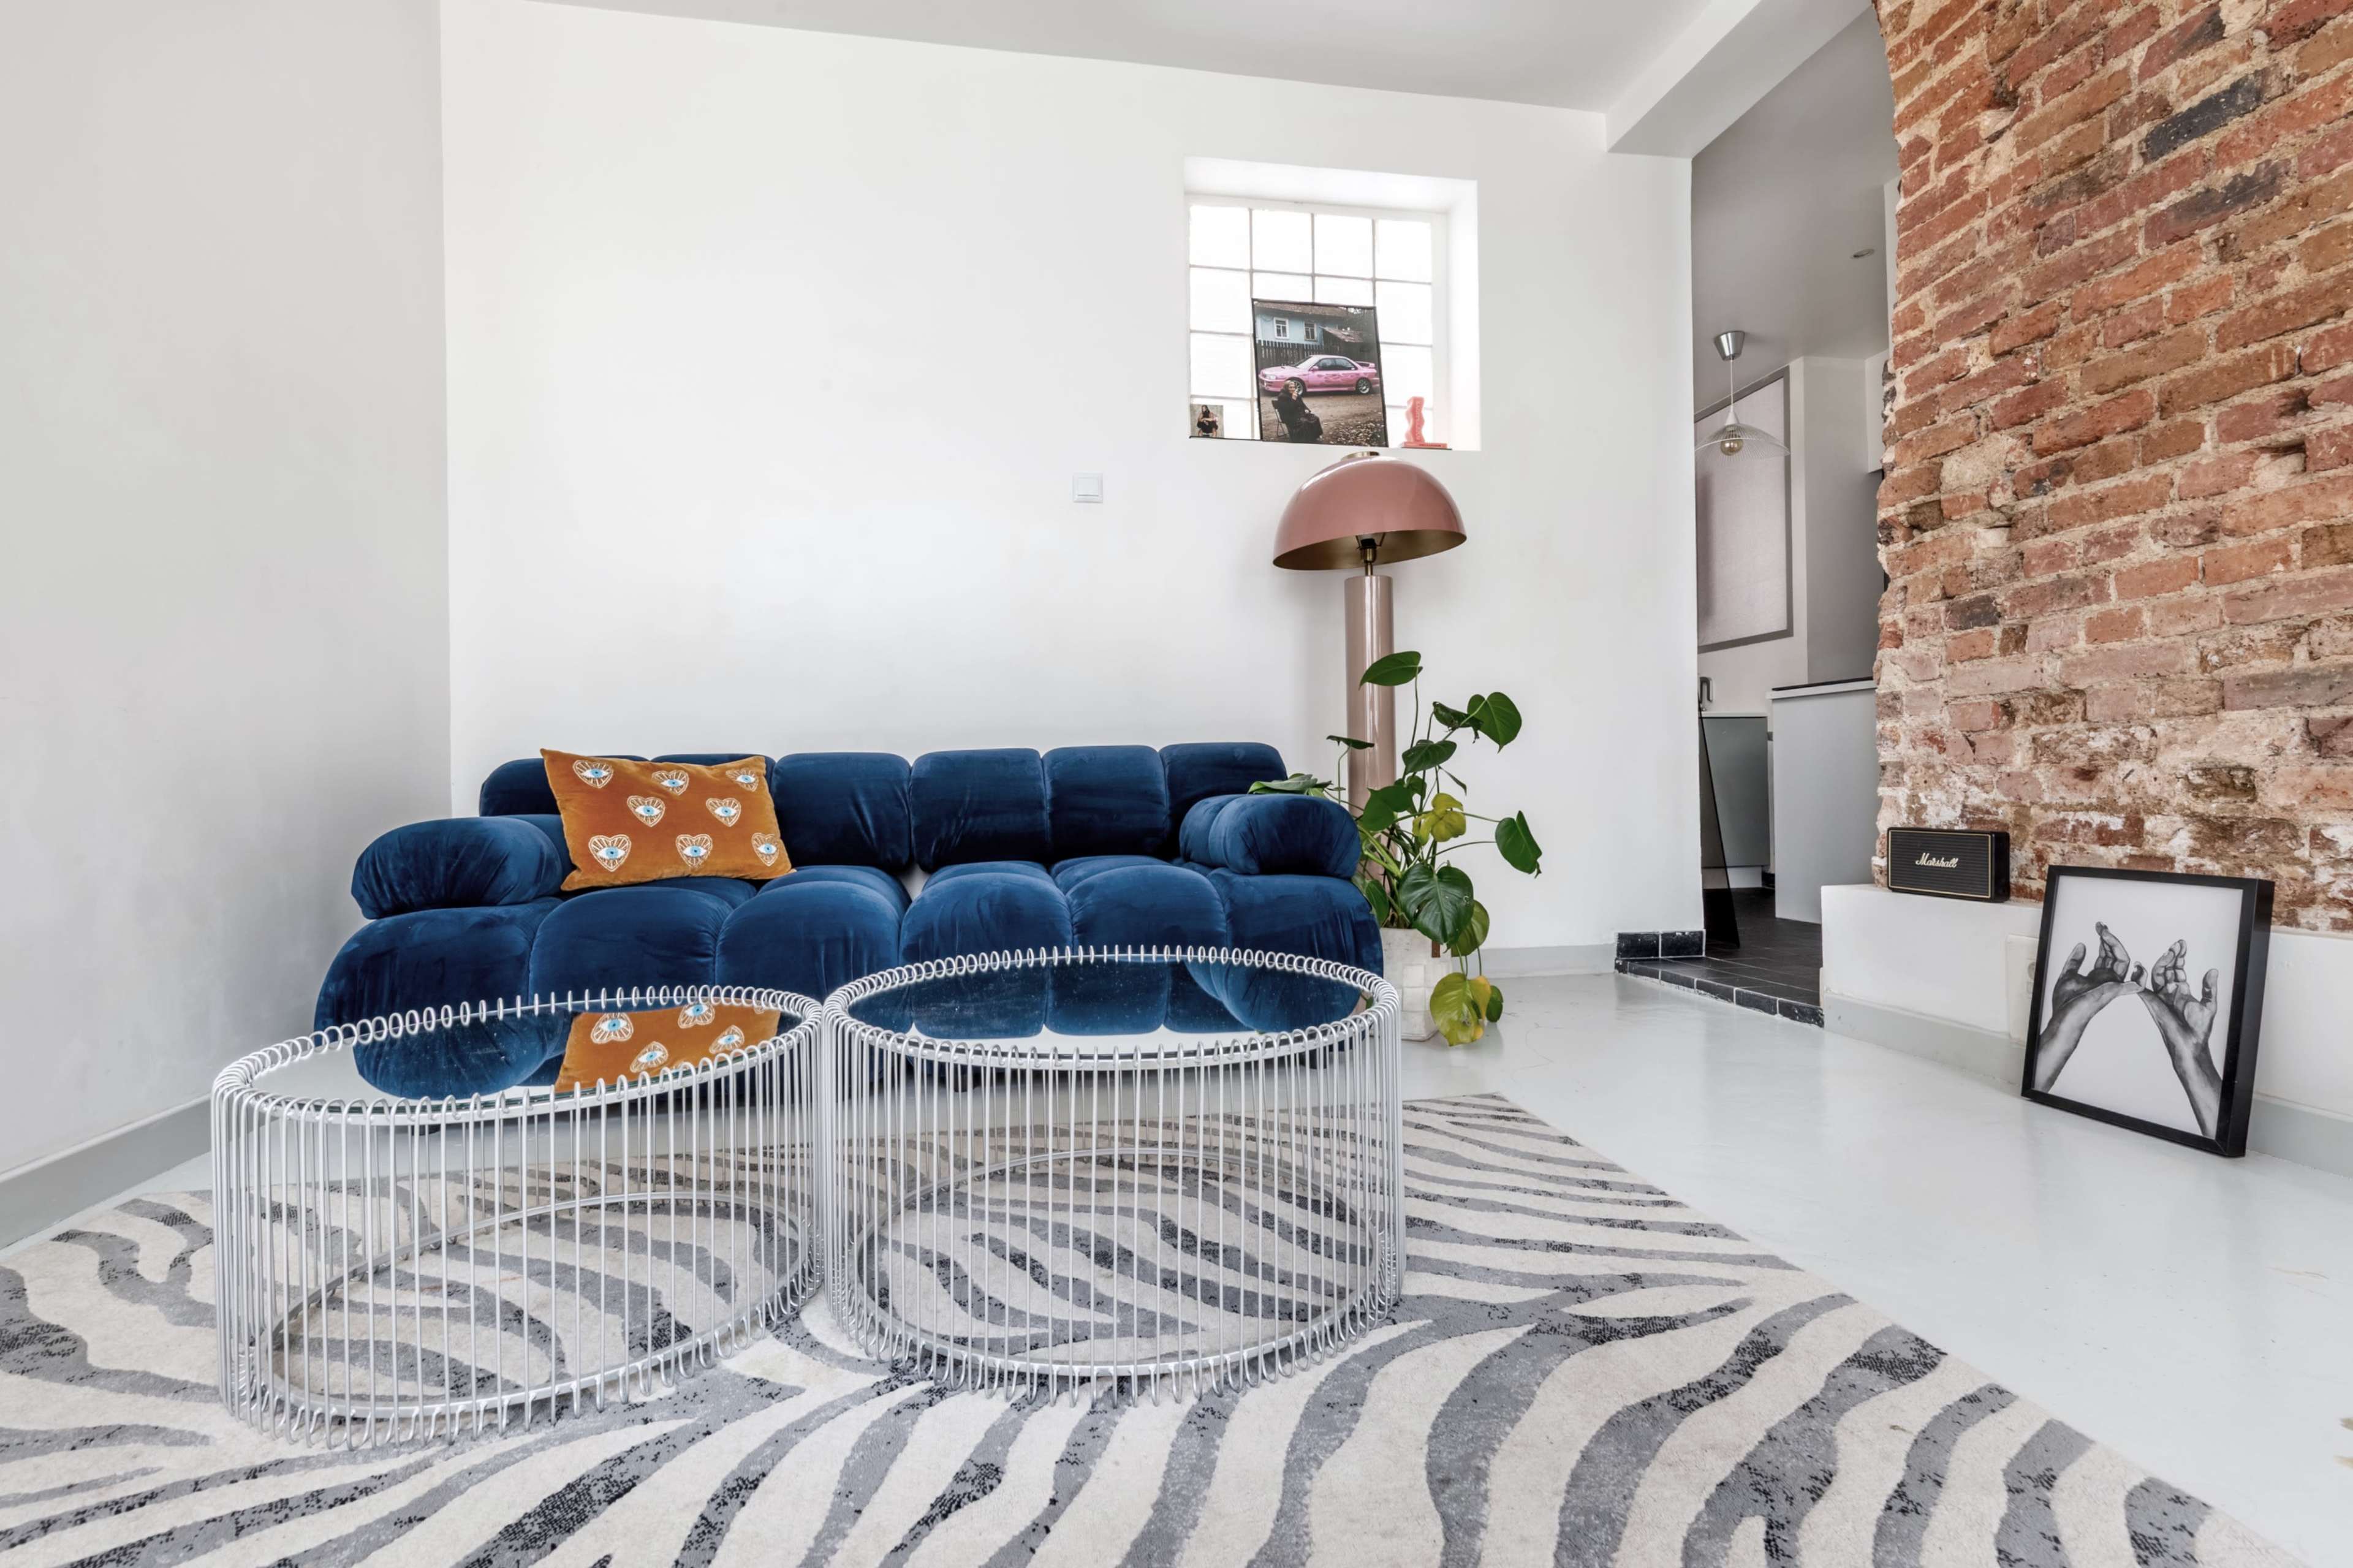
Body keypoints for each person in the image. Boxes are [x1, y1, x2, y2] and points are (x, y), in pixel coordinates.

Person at [1269, 379, 1322, 443]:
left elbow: (1302, 404)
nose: (1293, 389)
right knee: (1305, 422)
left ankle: (1314, 437)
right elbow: (1289, 410)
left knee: (1315, 418)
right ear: (1286, 388)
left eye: (1294, 387)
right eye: (1291, 387)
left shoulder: (1295, 394)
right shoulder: (1282, 397)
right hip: (1289, 416)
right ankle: (1305, 440)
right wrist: (1293, 399)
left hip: (1298, 413)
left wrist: (1306, 409)